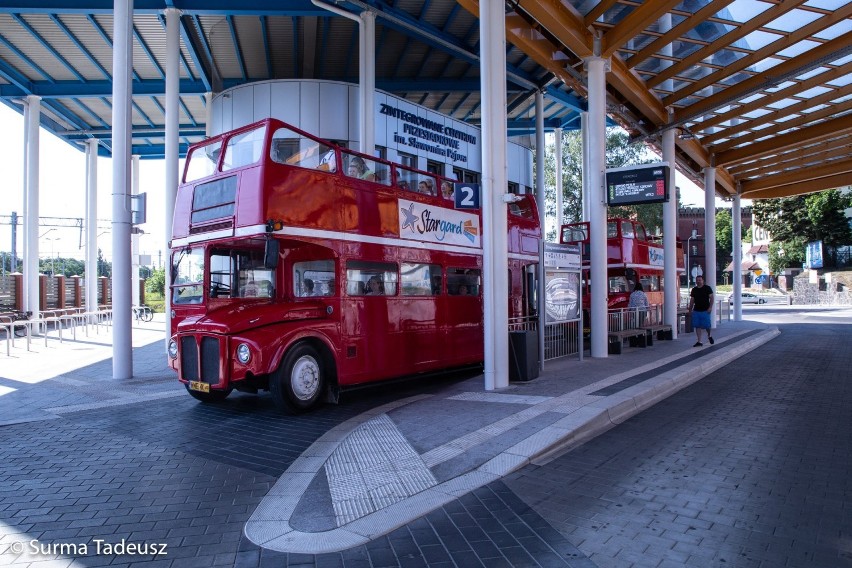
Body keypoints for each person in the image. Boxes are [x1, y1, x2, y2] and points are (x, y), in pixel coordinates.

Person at [688, 274, 714, 347]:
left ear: (703, 281)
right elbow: (692, 300)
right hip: (696, 310)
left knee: (707, 326)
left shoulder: (707, 288)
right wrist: (690, 309)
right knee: (697, 326)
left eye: (700, 280)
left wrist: (710, 307)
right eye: (697, 280)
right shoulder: (694, 289)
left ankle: (709, 335)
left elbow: (712, 298)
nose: (698, 281)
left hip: (705, 310)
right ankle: (699, 341)